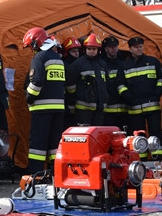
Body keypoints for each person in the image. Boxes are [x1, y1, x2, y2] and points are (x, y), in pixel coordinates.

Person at [22, 27, 66, 176]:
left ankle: (36, 175)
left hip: (41, 108)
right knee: (54, 144)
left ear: (36, 43)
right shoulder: (58, 58)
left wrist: (29, 96)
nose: (31, 49)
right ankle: (56, 174)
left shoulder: (39, 57)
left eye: (30, 46)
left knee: (37, 145)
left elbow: (37, 81)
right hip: (58, 108)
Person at [123, 36, 162, 158]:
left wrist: (157, 92)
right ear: (130, 49)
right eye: (136, 47)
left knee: (155, 133)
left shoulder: (153, 62)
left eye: (140, 46)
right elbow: (120, 84)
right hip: (134, 108)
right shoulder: (125, 65)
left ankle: (158, 157)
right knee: (138, 135)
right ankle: (140, 159)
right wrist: (127, 97)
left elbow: (161, 79)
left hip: (152, 106)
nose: (139, 49)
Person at [65, 33, 109, 127]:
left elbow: (106, 84)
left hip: (100, 108)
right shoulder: (77, 64)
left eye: (94, 49)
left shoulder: (102, 64)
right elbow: (70, 86)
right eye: (89, 49)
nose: (91, 51)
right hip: (83, 109)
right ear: (85, 49)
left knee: (97, 133)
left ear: (98, 50)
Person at [100, 36, 129, 131]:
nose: (113, 48)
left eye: (115, 46)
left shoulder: (123, 64)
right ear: (105, 49)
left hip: (123, 107)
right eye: (110, 46)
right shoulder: (101, 64)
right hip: (108, 108)